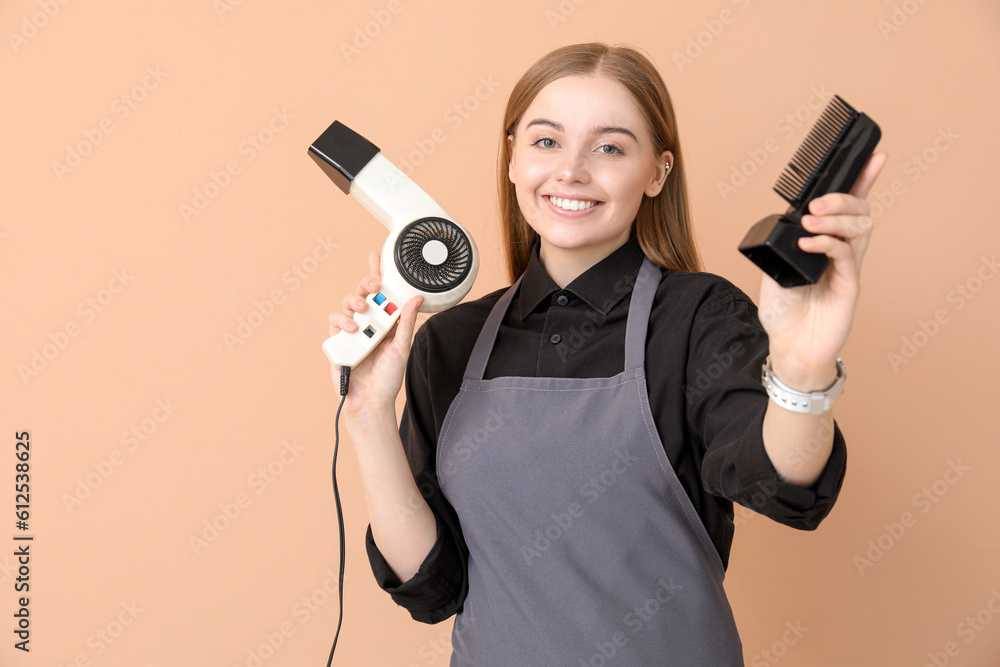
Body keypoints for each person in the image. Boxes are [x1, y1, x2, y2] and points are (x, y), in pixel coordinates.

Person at [328, 42, 886, 665]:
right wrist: (369, 415)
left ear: (657, 173)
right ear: (511, 158)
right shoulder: (450, 341)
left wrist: (804, 368)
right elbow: (435, 585)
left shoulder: (698, 319)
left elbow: (782, 481)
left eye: (610, 147)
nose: (571, 171)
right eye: (545, 142)